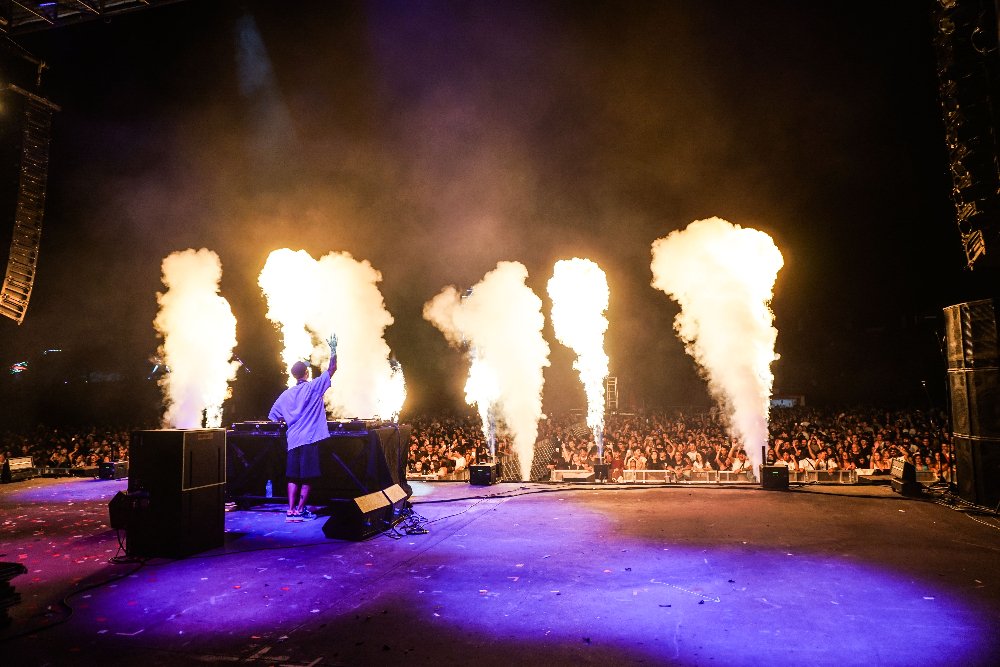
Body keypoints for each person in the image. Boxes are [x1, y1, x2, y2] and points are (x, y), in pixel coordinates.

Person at [268, 334, 338, 522]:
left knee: (293, 477)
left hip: (293, 441)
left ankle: (290, 511)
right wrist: (333, 350)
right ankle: (300, 510)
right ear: (306, 373)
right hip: (309, 440)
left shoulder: (285, 395)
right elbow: (332, 369)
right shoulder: (314, 387)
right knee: (307, 478)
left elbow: (274, 415)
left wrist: (290, 419)